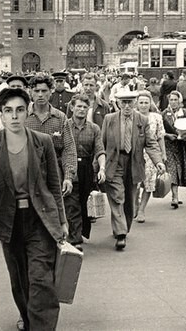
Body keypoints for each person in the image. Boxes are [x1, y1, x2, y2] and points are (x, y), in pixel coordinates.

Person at [0, 88, 68, 331]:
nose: (14, 116)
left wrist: (61, 220)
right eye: (8, 111)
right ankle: (29, 317)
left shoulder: (42, 142)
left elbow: (53, 184)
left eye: (20, 110)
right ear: (0, 114)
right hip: (9, 220)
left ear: (27, 111)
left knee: (41, 279)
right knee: (20, 281)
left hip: (39, 219)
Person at [102, 90, 165, 250]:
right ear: (118, 103)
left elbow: (150, 143)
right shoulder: (109, 119)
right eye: (123, 102)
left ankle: (123, 227)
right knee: (117, 196)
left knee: (130, 199)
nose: (127, 106)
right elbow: (101, 144)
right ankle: (121, 233)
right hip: (114, 162)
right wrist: (99, 167)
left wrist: (158, 161)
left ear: (135, 103)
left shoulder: (142, 120)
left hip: (133, 162)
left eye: (130, 102)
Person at [65, 94, 106, 250]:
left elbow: (100, 150)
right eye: (78, 106)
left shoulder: (94, 128)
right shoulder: (65, 126)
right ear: (72, 107)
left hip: (87, 168)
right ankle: (75, 239)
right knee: (72, 202)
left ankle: (80, 231)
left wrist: (101, 168)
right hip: (69, 166)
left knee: (84, 202)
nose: (81, 109)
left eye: (84, 107)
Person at [26, 74, 76, 199]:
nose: (40, 94)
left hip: (53, 174)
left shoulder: (60, 118)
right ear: (30, 92)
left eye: (44, 91)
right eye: (37, 91)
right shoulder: (22, 116)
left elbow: (69, 148)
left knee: (54, 212)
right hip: (26, 173)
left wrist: (68, 177)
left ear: (51, 91)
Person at [135, 90, 167, 223]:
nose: (143, 105)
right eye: (141, 102)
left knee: (148, 182)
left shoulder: (156, 117)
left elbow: (160, 137)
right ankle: (135, 205)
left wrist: (163, 154)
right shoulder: (133, 116)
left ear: (150, 103)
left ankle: (142, 209)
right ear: (137, 104)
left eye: (146, 102)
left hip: (151, 154)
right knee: (135, 183)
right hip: (136, 154)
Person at [162, 91, 186, 207]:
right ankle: (175, 197)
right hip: (169, 145)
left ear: (179, 101)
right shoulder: (164, 114)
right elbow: (159, 130)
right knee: (172, 169)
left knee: (181, 169)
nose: (173, 102)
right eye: (171, 100)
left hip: (181, 145)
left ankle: (176, 194)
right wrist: (167, 135)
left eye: (175, 100)